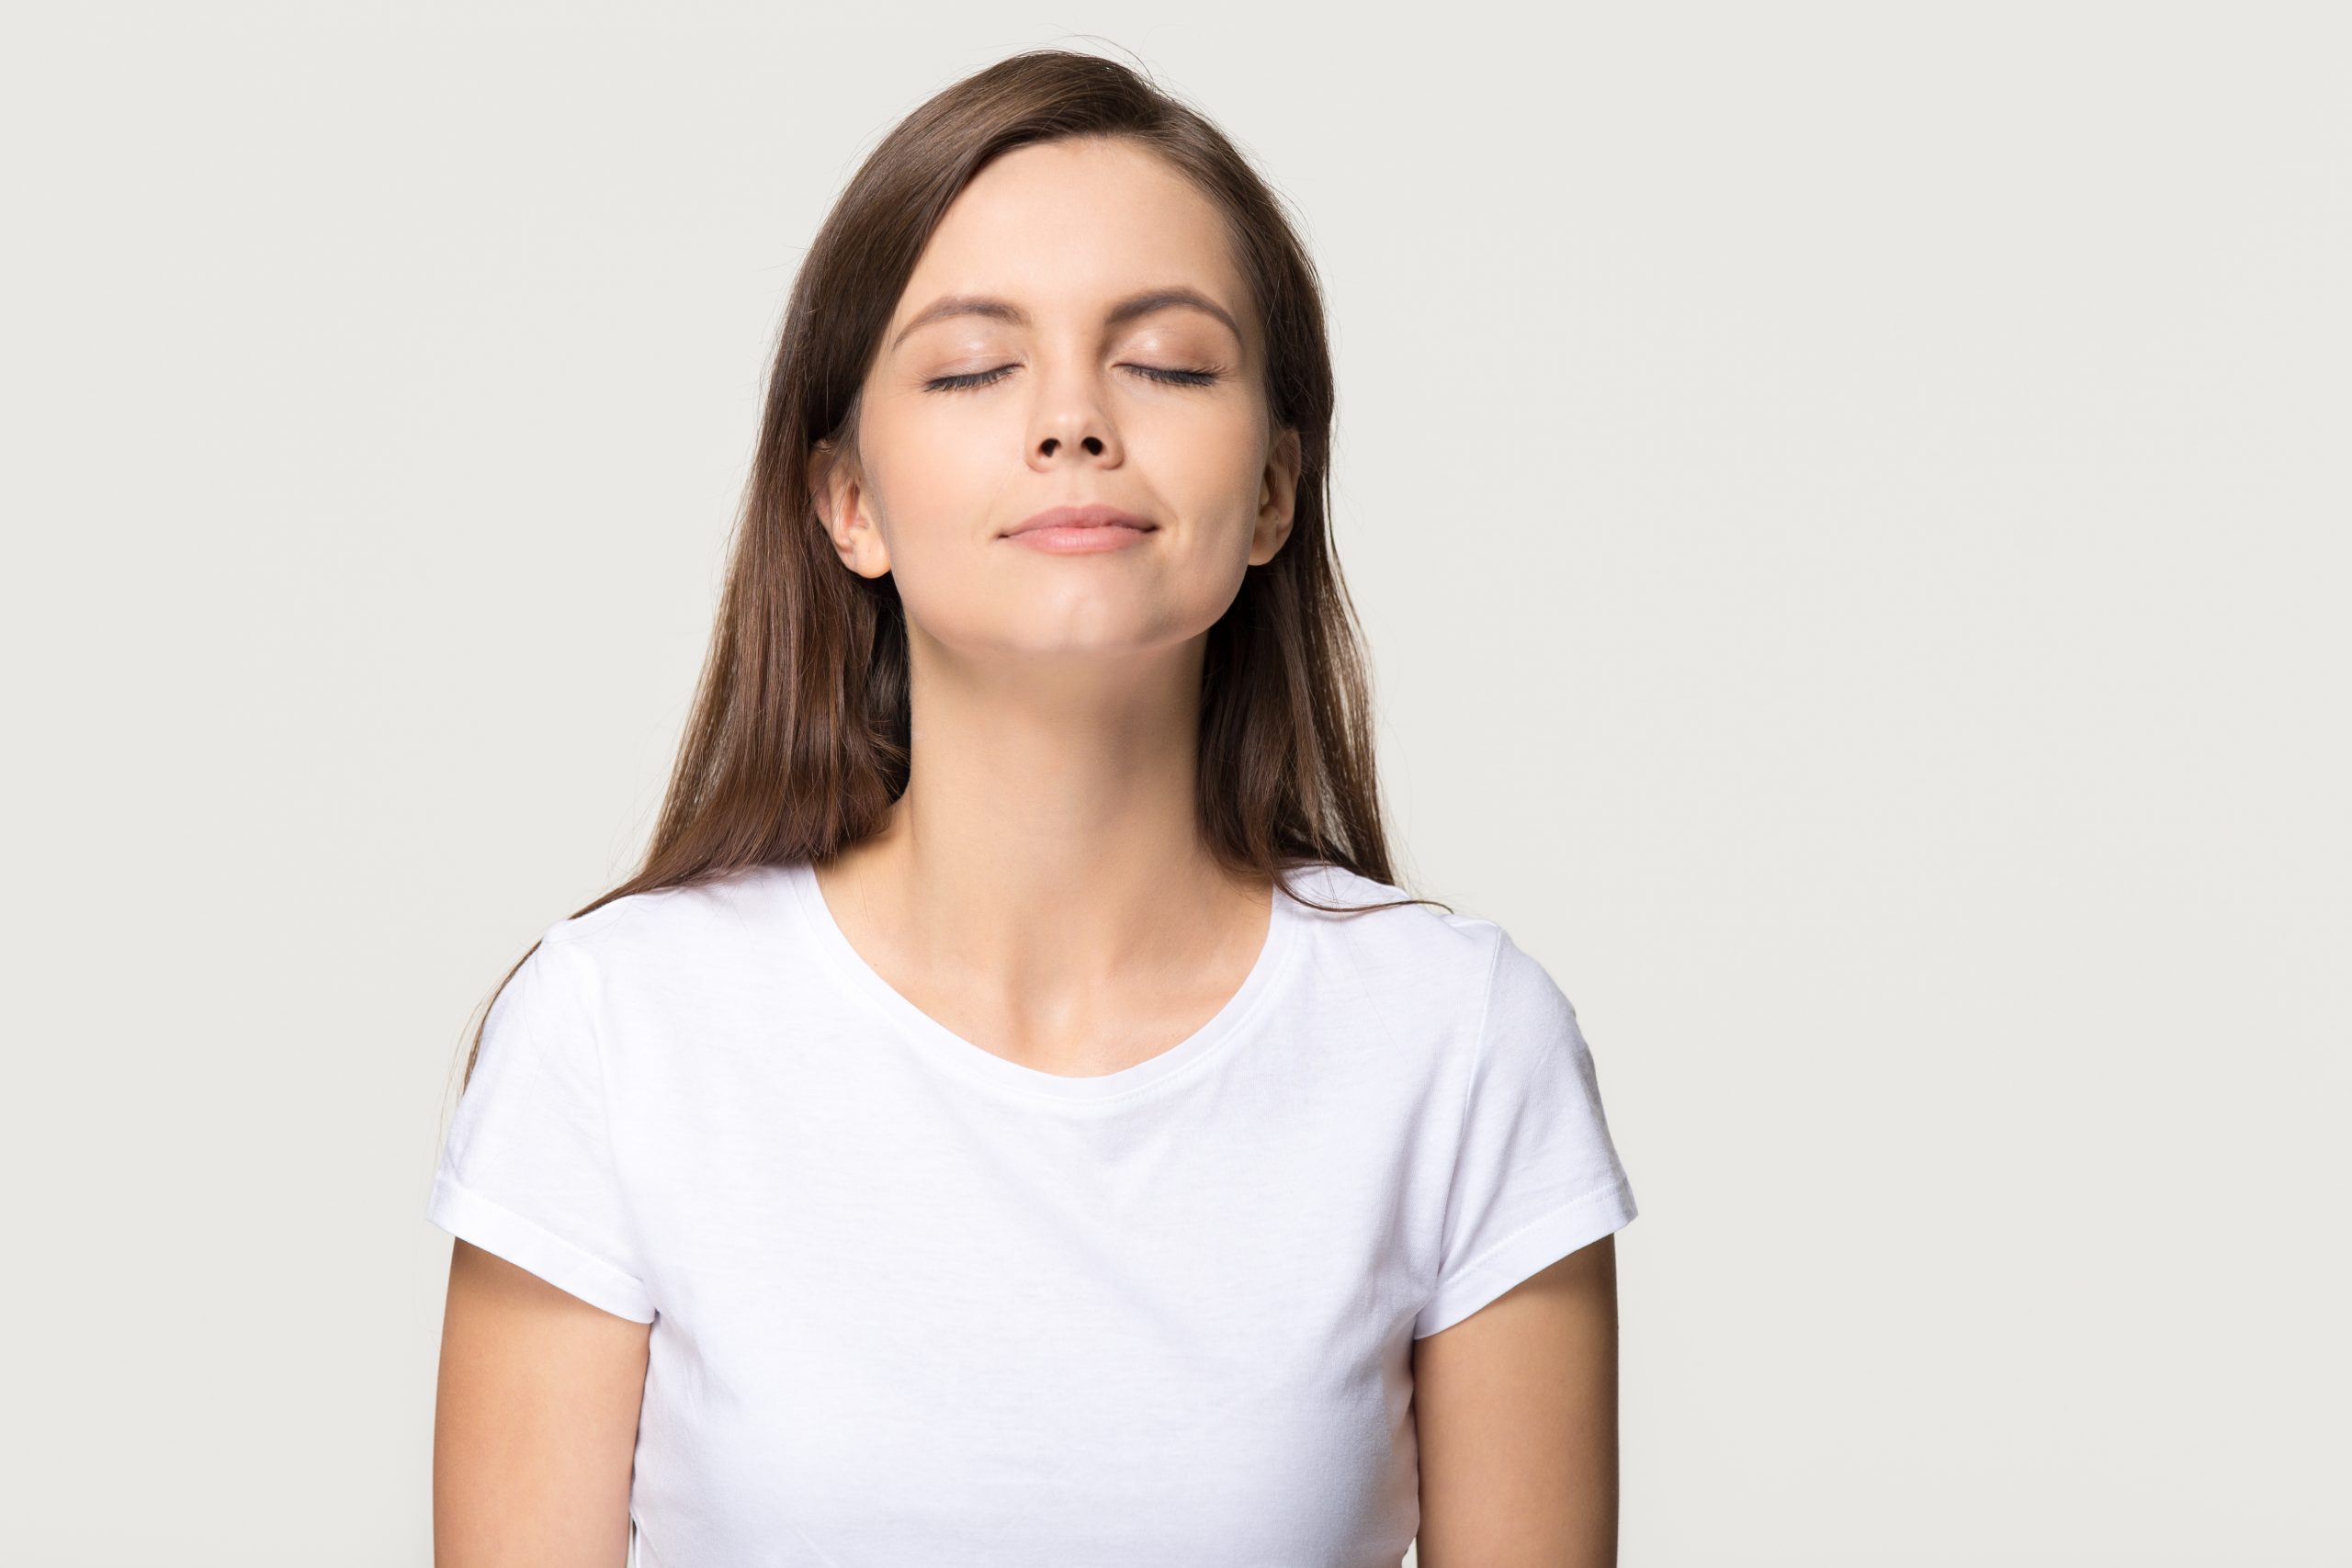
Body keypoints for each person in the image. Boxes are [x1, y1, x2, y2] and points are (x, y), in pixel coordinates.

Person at [427, 47, 1638, 1568]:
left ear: (1273, 491)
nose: (1072, 421)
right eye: (973, 368)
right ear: (845, 502)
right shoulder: (612, 1037)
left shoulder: (1460, 1043)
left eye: (1170, 364)